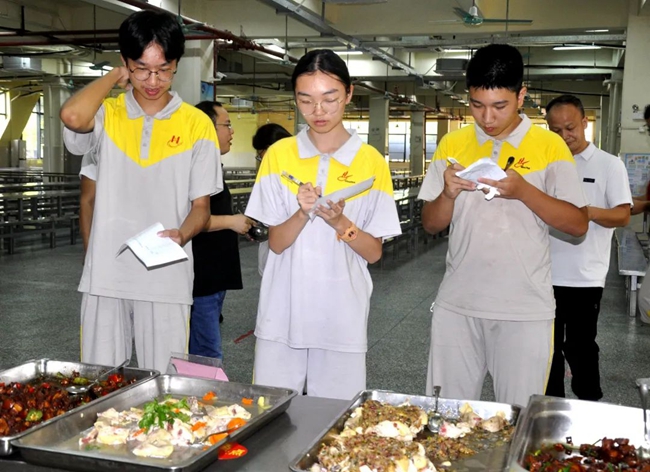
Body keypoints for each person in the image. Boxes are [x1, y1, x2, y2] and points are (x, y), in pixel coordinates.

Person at [419, 44, 589, 407]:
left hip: (525, 309)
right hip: (458, 304)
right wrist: (447, 194)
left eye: (500, 106)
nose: (487, 118)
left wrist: (524, 191)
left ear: (521, 95)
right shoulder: (453, 143)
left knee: (518, 417)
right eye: (477, 105)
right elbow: (431, 225)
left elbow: (577, 224)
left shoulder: (549, 146)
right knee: (447, 415)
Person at [59, 10, 221, 372]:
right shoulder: (107, 114)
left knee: (163, 383)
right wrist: (116, 76)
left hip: (167, 275)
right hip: (106, 275)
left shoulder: (196, 125)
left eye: (164, 69)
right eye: (141, 68)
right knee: (99, 382)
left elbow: (201, 207)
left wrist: (183, 233)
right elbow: (72, 117)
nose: (153, 80)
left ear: (177, 64)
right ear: (125, 63)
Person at [245, 49, 401, 400]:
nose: (318, 111)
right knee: (271, 416)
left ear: (348, 94)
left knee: (334, 422)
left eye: (330, 99)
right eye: (306, 100)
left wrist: (340, 221)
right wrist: (302, 213)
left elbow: (374, 252)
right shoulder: (279, 155)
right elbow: (277, 243)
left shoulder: (371, 162)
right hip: (281, 315)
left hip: (341, 316)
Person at [544, 94, 632, 401]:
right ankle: (550, 410)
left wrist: (585, 212)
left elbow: (622, 214)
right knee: (547, 351)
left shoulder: (609, 165)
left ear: (585, 123)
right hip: (543, 274)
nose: (564, 136)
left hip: (584, 277)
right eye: (556, 130)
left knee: (580, 347)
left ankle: (589, 405)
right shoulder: (547, 164)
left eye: (570, 128)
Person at [190, 101, 254, 359]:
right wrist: (230, 222)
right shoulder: (194, 166)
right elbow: (188, 219)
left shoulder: (211, 164)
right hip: (202, 277)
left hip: (214, 274)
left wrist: (239, 222)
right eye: (226, 125)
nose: (231, 131)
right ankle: (204, 397)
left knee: (203, 345)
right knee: (206, 351)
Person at [251, 123, 292, 276]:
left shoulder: (282, 175)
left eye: (260, 153)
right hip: (276, 250)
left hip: (285, 254)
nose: (260, 158)